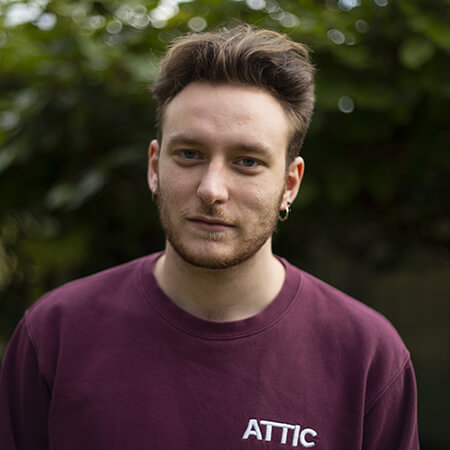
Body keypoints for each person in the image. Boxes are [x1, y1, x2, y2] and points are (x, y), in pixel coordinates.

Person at [0, 25, 419, 449]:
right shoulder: (55, 333)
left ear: (290, 185)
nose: (212, 190)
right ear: (154, 167)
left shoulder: (367, 355)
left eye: (247, 161)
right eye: (189, 154)